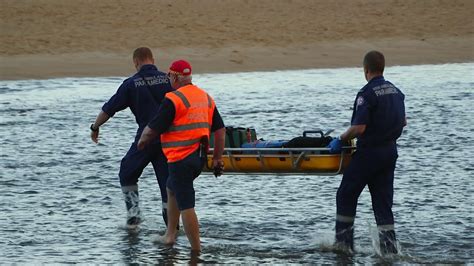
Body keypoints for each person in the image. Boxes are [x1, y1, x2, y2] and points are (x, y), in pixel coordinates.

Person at [137, 59, 225, 252]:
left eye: (169, 76)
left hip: (180, 159)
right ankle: (170, 235)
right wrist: (217, 158)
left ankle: (196, 251)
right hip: (198, 159)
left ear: (175, 76)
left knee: (186, 204)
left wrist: (142, 141)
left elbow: (152, 129)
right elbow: (220, 131)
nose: (168, 79)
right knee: (171, 188)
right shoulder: (205, 97)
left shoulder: (173, 99)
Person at [328, 50, 406, 254]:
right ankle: (389, 251)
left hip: (369, 153)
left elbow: (359, 128)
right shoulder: (396, 91)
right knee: (382, 204)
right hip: (390, 153)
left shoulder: (367, 93)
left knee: (345, 195)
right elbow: (403, 122)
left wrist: (341, 139)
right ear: (382, 68)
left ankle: (344, 245)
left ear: (366, 70)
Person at [90, 47, 174, 228]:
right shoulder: (167, 80)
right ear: (152, 59)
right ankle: (172, 227)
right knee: (167, 186)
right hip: (168, 140)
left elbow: (108, 109)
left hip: (145, 139)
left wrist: (95, 127)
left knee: (127, 172)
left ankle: (134, 217)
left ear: (136, 62)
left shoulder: (130, 84)